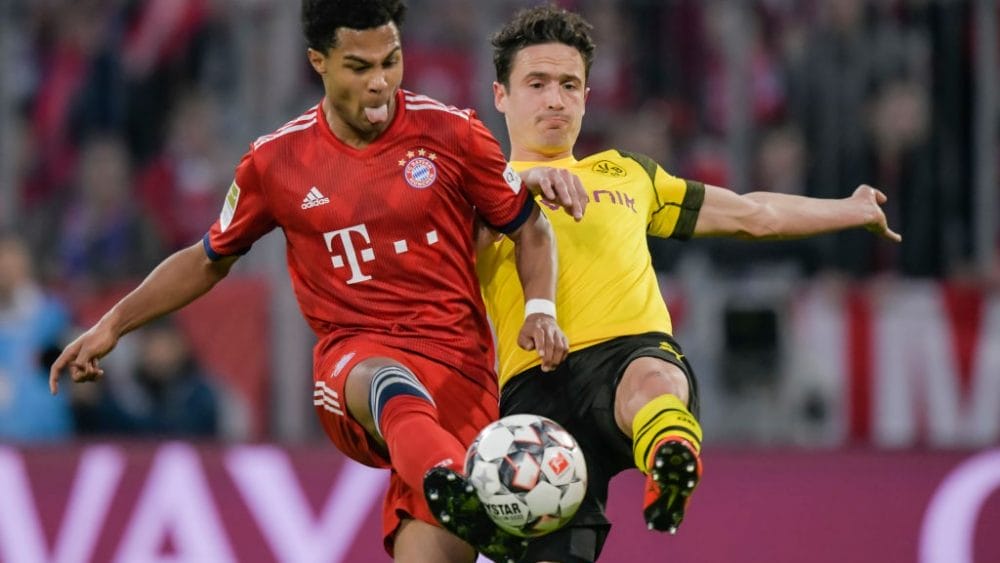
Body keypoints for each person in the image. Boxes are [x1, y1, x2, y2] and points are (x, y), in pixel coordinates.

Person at [49, 2, 588, 562]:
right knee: (382, 376)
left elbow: (530, 227)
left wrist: (540, 309)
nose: (380, 83)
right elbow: (209, 257)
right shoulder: (276, 161)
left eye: (392, 62)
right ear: (318, 62)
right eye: (359, 67)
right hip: (354, 363)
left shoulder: (452, 132)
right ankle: (448, 482)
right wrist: (114, 323)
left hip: (460, 377)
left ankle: (445, 485)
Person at [449, 5, 901, 562]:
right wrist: (514, 192)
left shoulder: (628, 174)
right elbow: (436, 260)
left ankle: (670, 460)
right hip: (534, 390)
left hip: (626, 352)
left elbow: (752, 213)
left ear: (588, 98)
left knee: (653, 379)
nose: (555, 100)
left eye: (570, 85)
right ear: (500, 95)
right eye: (536, 84)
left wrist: (847, 208)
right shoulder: (473, 191)